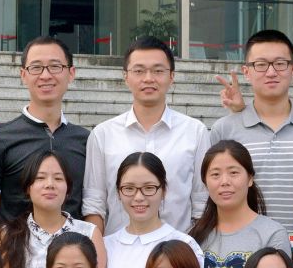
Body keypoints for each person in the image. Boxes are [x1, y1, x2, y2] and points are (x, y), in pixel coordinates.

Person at [208, 29, 293, 228]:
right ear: (246, 72)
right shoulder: (224, 129)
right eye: (261, 64)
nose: (271, 72)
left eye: (280, 64)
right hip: (246, 242)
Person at [82, 37, 209, 232]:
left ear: (172, 76)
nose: (148, 78)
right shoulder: (103, 134)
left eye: (158, 71)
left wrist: (189, 246)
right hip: (117, 248)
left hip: (178, 247)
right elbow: (94, 203)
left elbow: (202, 202)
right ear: (126, 76)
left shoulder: (195, 132)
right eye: (139, 71)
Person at [0, 36, 90, 222]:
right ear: (23, 75)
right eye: (36, 67)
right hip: (15, 240)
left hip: (74, 240)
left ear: (71, 73)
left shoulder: (86, 141)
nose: (45, 75)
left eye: (55, 66)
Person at [0, 150, 104, 268]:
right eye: (40, 178)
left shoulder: (89, 233)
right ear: (28, 187)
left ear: (68, 188)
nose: (50, 184)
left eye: (58, 179)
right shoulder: (8, 234)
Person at [195, 140, 290, 268]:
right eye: (215, 174)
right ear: (205, 183)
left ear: (250, 178)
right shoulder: (194, 237)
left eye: (234, 173)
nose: (225, 182)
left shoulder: (272, 234)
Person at [102, 151, 201, 268]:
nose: (139, 197)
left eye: (149, 188)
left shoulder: (185, 244)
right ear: (118, 192)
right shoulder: (105, 246)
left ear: (163, 191)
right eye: (129, 188)